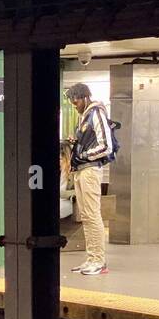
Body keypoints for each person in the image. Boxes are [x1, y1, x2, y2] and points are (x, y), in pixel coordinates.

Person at [66, 82, 117, 276]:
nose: (74, 104)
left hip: (90, 170)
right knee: (86, 215)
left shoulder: (96, 113)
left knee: (93, 214)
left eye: (76, 99)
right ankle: (91, 257)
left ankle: (99, 260)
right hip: (81, 170)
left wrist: (85, 155)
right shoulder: (84, 117)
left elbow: (107, 145)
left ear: (85, 97)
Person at [58, 141, 75, 220]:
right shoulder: (59, 171)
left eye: (60, 159)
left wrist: (63, 194)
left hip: (67, 202)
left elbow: (79, 191)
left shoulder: (73, 173)